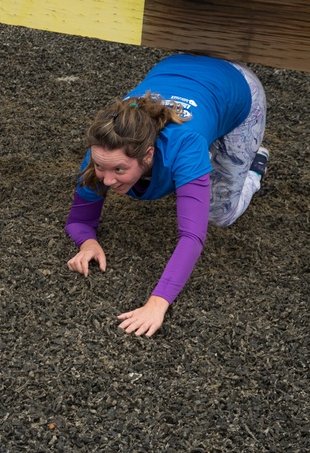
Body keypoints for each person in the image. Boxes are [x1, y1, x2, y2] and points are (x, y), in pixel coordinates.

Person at [65, 53, 269, 337]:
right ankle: (199, 167)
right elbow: (78, 220)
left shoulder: (185, 145)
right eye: (101, 167)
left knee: (221, 214)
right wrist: (87, 243)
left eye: (119, 170)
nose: (108, 180)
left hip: (238, 88)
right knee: (189, 174)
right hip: (178, 66)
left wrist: (157, 303)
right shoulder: (105, 147)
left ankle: (255, 166)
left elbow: (192, 236)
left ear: (148, 154)